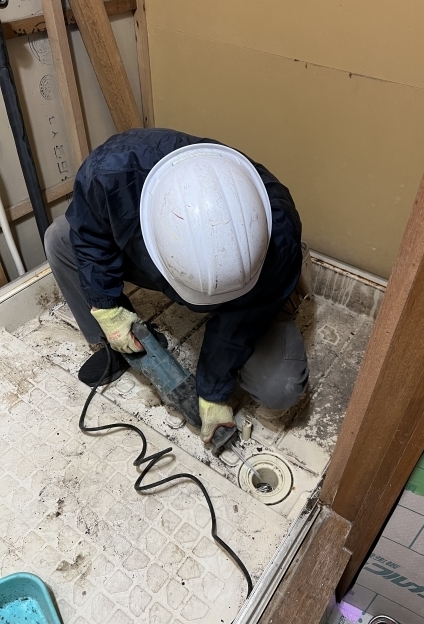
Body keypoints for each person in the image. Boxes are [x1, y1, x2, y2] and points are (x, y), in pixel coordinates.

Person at [45, 128, 309, 444]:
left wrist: (212, 393)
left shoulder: (277, 235)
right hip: (145, 244)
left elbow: (239, 324)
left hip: (256, 287)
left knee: (279, 388)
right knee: (60, 239)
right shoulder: (111, 174)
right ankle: (115, 343)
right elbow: (91, 240)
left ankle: (265, 303)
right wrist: (106, 308)